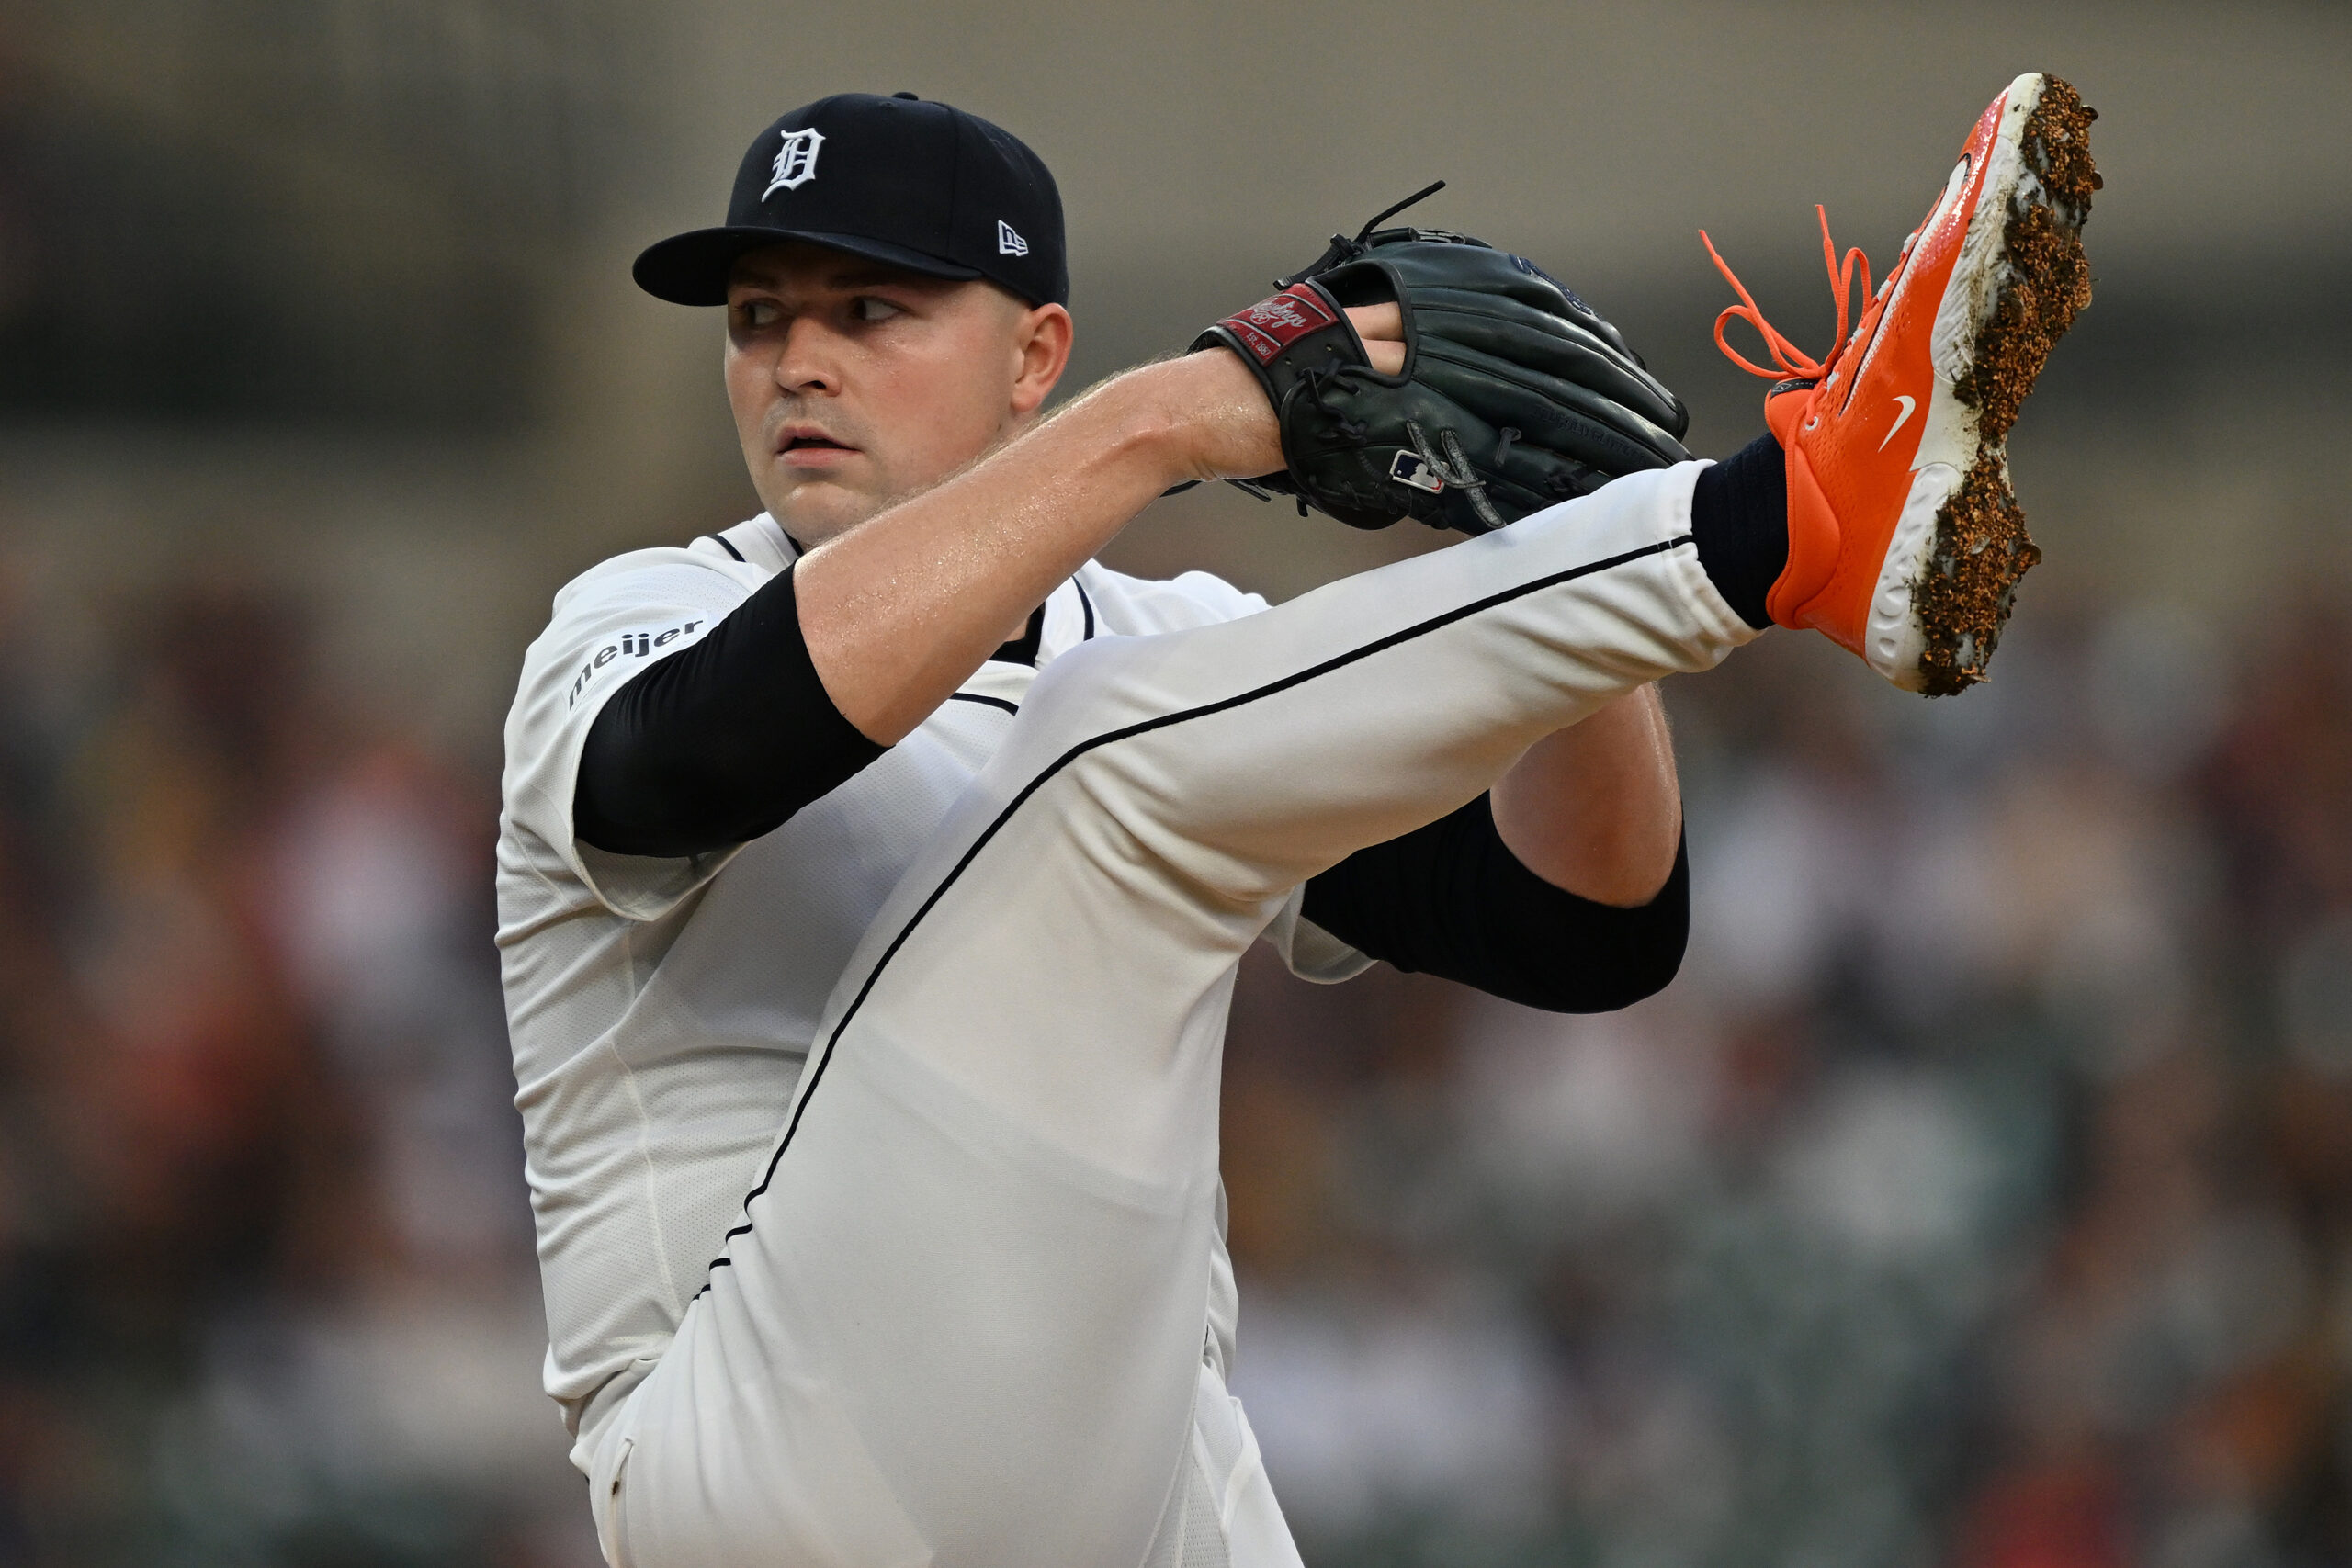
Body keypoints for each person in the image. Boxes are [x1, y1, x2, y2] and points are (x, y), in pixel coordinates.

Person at [496, 77, 2092, 1568]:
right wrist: (1174, 419)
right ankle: (1787, 517)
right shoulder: (640, 615)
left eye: (871, 308)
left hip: (1110, 1469)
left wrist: (1530, 526)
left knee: (1125, 732)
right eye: (758, 317)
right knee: (1101, 763)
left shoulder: (1164, 638)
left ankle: (1750, 529)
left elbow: (1583, 927)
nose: (798, 362)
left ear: (1035, 354)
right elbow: (682, 767)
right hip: (763, 1447)